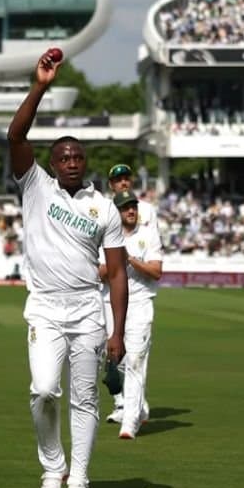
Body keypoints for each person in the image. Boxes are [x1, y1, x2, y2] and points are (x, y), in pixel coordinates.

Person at [7, 50, 128, 488]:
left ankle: (78, 481)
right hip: (44, 306)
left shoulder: (105, 208)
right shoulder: (35, 186)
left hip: (86, 309)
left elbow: (116, 273)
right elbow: (16, 134)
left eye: (78, 155)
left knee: (84, 399)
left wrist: (117, 330)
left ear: (85, 161)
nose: (73, 160)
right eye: (64, 155)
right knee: (42, 390)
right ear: (53, 163)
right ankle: (52, 466)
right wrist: (40, 86)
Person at [101, 164, 160, 424]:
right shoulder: (103, 209)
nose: (123, 183)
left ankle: (132, 405)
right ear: (111, 184)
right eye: (118, 180)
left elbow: (151, 243)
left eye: (126, 178)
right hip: (109, 291)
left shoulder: (146, 211)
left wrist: (135, 260)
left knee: (135, 353)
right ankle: (125, 402)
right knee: (114, 351)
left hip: (139, 290)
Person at [113, 191, 162, 440]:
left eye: (133, 206)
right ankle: (139, 405)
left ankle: (130, 422)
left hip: (141, 303)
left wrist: (130, 260)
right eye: (125, 208)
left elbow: (156, 271)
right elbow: (98, 272)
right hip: (112, 304)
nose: (130, 211)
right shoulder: (108, 236)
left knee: (135, 361)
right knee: (116, 360)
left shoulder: (148, 234)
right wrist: (115, 262)